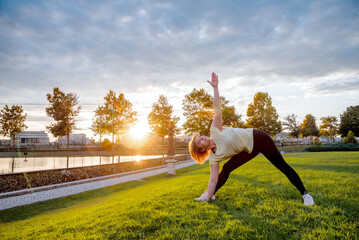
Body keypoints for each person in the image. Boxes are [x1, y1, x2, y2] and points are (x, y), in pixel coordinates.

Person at [189, 72, 314, 206]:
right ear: (202, 149)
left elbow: (217, 107)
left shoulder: (215, 130)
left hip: (259, 138)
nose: (202, 137)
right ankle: (209, 194)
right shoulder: (214, 158)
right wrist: (208, 198)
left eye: (199, 137)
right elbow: (213, 179)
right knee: (226, 168)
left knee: (282, 166)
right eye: (199, 141)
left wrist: (215, 88)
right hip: (248, 150)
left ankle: (306, 195)